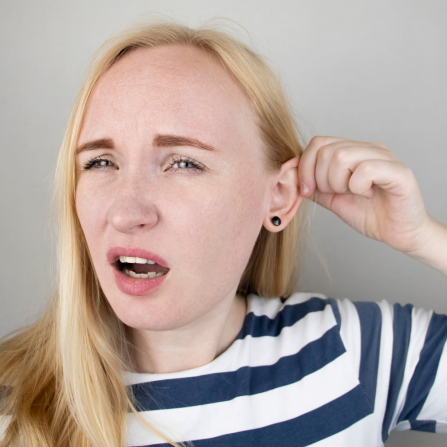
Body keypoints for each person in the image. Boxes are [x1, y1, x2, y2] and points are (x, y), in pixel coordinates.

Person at [0, 18, 446, 447]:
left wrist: (423, 237)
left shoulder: (355, 350)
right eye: (100, 162)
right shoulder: (11, 407)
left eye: (183, 162)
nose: (126, 211)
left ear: (279, 195)